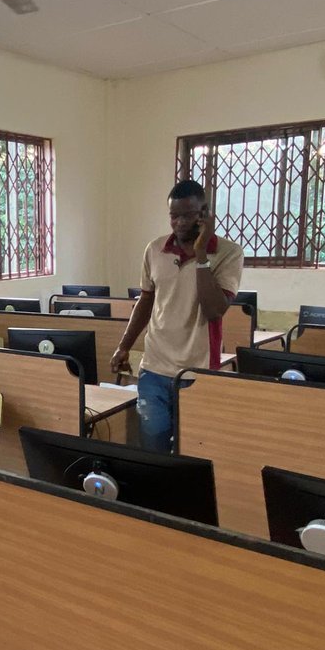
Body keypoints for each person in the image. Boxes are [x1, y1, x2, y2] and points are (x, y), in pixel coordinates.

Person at [110, 179, 244, 452]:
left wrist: (202, 255)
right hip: (154, 367)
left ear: (204, 213)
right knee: (153, 446)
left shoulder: (229, 253)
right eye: (174, 215)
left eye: (188, 215)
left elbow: (215, 309)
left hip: (198, 370)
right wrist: (124, 346)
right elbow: (146, 300)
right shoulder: (155, 249)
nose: (180, 222)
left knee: (192, 449)